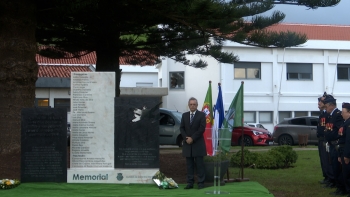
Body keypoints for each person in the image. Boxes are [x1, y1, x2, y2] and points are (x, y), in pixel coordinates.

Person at [180, 97, 206, 189]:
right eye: (191, 104)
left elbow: (202, 129)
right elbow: (182, 128)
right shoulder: (184, 115)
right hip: (187, 144)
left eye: (194, 104)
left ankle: (201, 183)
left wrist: (192, 138)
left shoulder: (202, 115)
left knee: (199, 165)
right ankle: (190, 183)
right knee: (189, 165)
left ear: (197, 105)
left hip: (198, 144)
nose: (192, 106)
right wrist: (186, 138)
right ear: (188, 105)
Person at [323, 95, 345, 194]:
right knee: (333, 166)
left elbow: (340, 130)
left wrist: (335, 138)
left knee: (337, 167)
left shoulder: (337, 115)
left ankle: (341, 188)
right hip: (331, 144)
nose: (325, 108)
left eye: (326, 106)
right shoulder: (331, 115)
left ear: (331, 105)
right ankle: (338, 185)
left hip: (336, 145)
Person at [317, 92, 332, 185]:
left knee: (327, 160)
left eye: (321, 101)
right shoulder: (323, 113)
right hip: (321, 138)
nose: (319, 103)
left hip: (326, 139)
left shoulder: (328, 114)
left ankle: (330, 178)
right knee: (323, 159)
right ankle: (326, 176)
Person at [336, 102, 350, 196]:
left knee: (348, 174)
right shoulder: (344, 122)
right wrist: (339, 155)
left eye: (343, 112)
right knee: (344, 173)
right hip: (342, 150)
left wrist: (347, 155)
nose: (341, 114)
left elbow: (348, 140)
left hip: (346, 151)